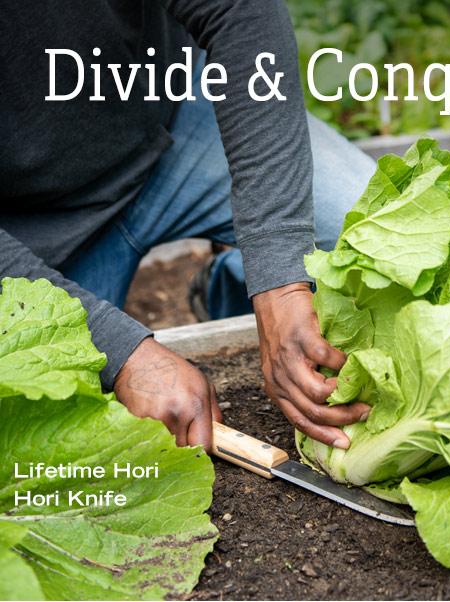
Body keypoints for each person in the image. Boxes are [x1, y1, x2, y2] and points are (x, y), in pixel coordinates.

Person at [0, 0, 375, 453]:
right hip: (29, 232)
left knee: (373, 238)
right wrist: (120, 352)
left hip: (170, 111)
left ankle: (234, 283)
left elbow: (239, 11)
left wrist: (280, 278)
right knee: (43, 447)